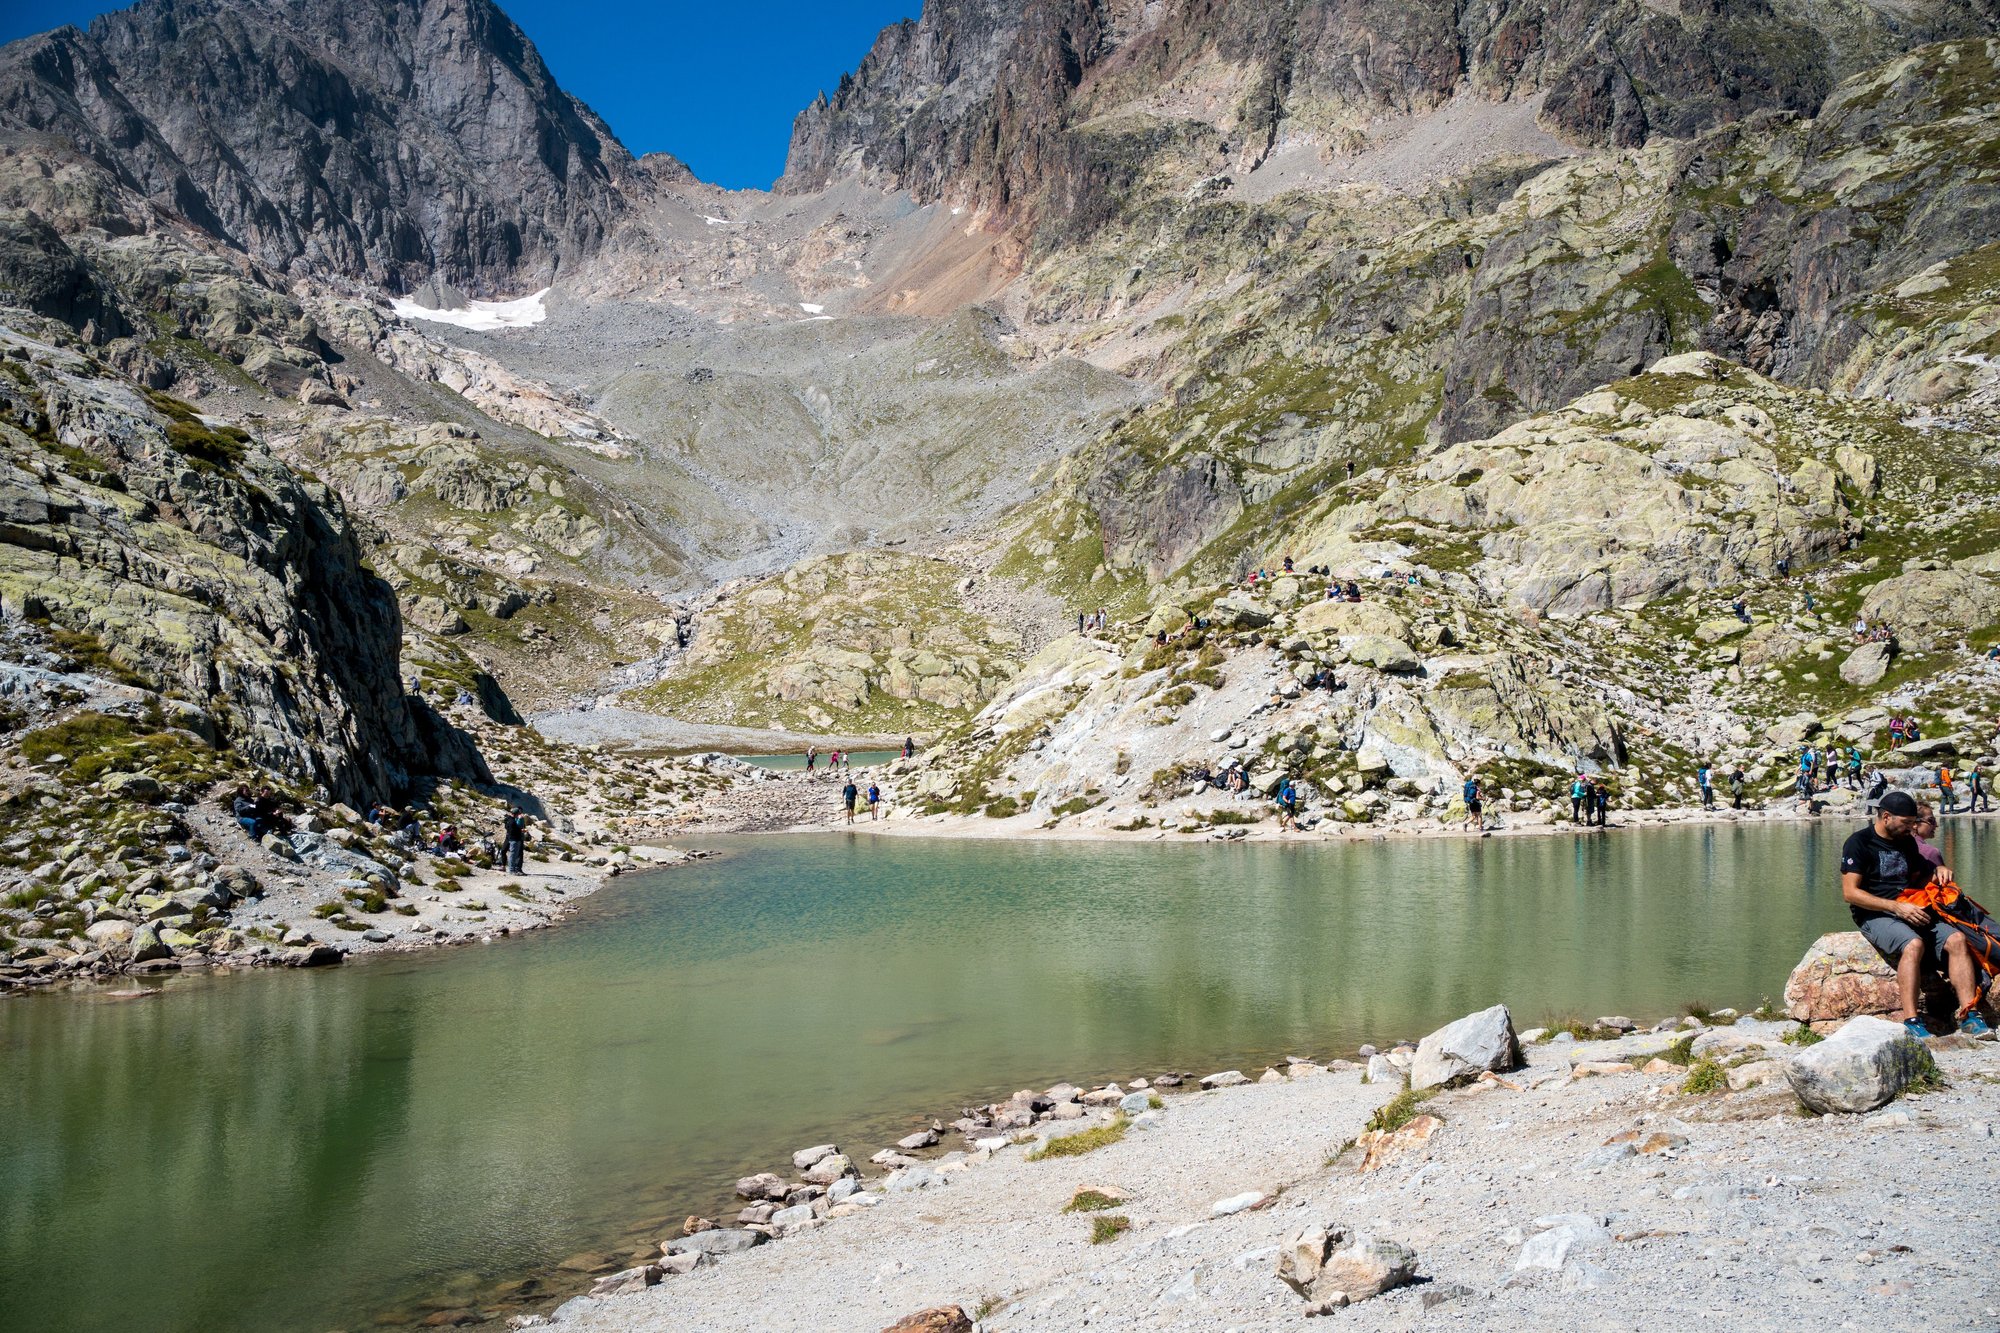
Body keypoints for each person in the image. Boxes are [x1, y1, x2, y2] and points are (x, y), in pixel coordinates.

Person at [1839, 791, 1993, 1038]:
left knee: (1956, 940)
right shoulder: (1859, 842)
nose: (1912, 828)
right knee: (1913, 943)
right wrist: (1896, 907)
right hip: (1875, 913)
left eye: (1914, 823)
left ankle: (1969, 1014)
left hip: (1911, 906)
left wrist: (1939, 870)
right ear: (1886, 817)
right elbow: (1850, 893)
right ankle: (1912, 1020)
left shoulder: (1907, 842)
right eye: (1907, 822)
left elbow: (1922, 874)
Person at [502, 807, 530, 874]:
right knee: (513, 854)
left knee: (514, 854)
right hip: (514, 838)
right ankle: (512, 869)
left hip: (512, 838)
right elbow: (514, 829)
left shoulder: (510, 819)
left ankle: (515, 869)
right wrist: (521, 830)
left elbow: (509, 827)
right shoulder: (513, 820)